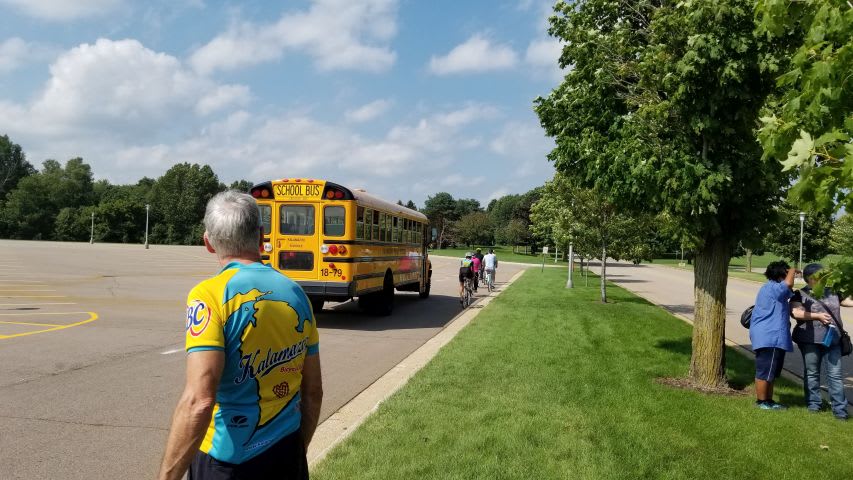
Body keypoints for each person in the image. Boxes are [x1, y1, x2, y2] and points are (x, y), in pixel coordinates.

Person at [159, 191, 323, 480]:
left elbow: (199, 401)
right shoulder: (297, 294)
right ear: (261, 236)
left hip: (227, 460)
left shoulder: (209, 296)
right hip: (287, 453)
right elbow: (312, 393)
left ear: (208, 242)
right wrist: (298, 451)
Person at [790, 263, 853, 420]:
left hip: (833, 339)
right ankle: (814, 405)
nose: (825, 278)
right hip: (810, 340)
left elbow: (847, 302)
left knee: (835, 375)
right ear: (811, 279)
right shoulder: (800, 294)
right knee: (812, 373)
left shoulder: (834, 292)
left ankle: (840, 411)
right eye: (821, 275)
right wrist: (816, 316)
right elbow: (796, 312)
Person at [749, 261, 798, 410]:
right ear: (781, 274)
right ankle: (761, 402)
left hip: (772, 337)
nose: (791, 276)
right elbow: (788, 284)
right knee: (764, 371)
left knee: (770, 372)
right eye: (787, 272)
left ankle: (768, 401)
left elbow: (789, 289)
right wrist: (794, 269)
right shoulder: (774, 288)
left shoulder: (772, 288)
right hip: (770, 337)